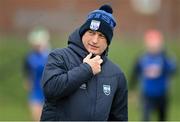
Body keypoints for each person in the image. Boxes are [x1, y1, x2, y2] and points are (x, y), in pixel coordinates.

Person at [40, 4, 128, 121]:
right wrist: (87, 69)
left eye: (101, 36)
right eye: (91, 33)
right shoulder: (59, 56)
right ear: (82, 33)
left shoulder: (116, 75)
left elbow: (119, 118)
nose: (94, 40)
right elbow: (51, 89)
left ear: (108, 42)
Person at [129, 29, 176, 121]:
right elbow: (135, 73)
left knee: (162, 117)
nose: (153, 46)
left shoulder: (165, 57)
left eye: (156, 43)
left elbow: (173, 70)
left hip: (162, 94)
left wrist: (164, 57)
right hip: (147, 94)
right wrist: (132, 89)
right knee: (145, 117)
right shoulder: (142, 58)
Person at [23, 26, 51, 121]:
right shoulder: (30, 57)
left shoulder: (51, 55)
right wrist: (27, 80)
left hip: (49, 91)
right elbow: (26, 70)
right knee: (37, 117)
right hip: (36, 90)